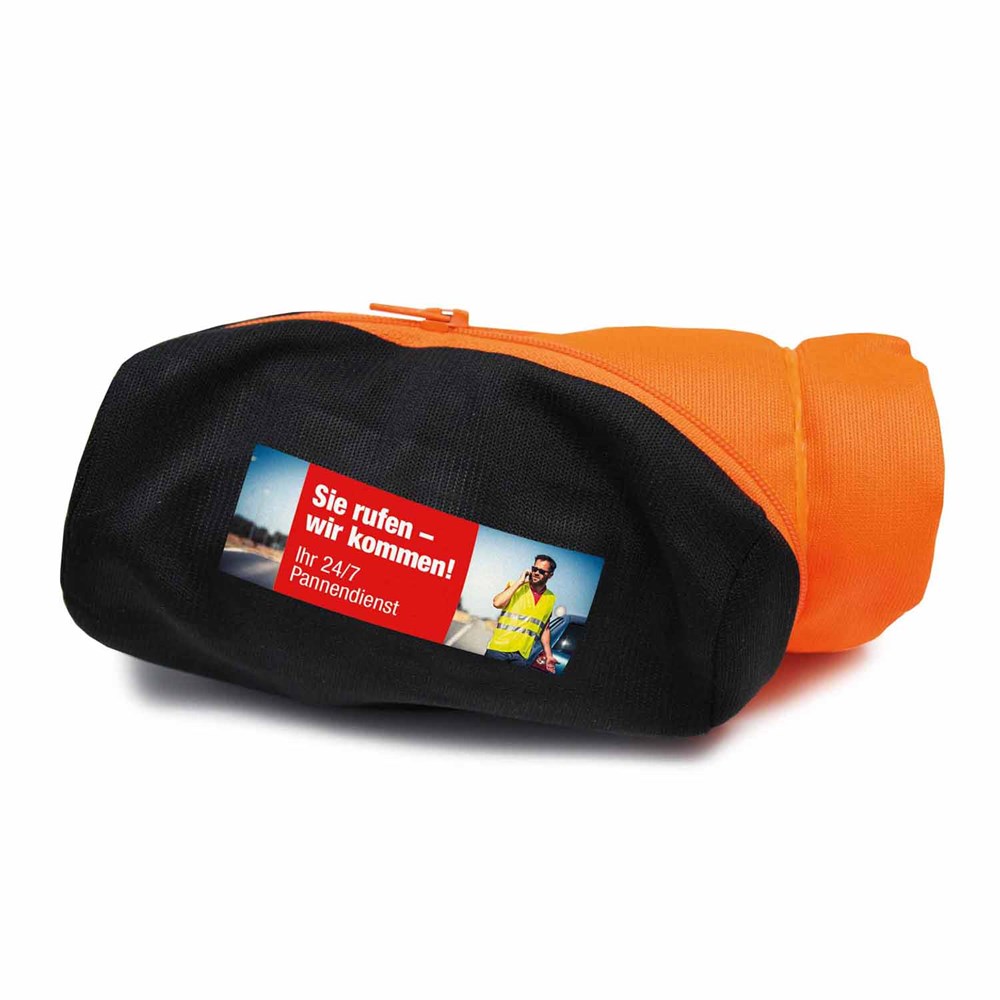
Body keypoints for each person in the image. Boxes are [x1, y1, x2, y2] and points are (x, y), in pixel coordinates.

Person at [484, 555, 558, 672]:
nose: (536, 573)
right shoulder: (515, 586)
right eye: (534, 569)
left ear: (550, 575)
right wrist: (519, 582)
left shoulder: (551, 598)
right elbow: (497, 603)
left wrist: (548, 655)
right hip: (498, 649)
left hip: (521, 656)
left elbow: (545, 628)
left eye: (541, 571)